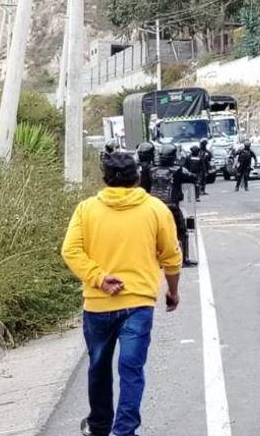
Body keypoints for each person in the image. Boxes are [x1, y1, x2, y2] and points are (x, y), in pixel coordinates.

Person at [61, 153, 181, 436]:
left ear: (105, 179)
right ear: (138, 178)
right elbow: (172, 256)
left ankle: (100, 426)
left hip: (98, 306)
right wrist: (173, 292)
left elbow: (71, 251)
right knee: (131, 369)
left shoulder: (86, 209)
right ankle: (124, 431)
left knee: (99, 368)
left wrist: (100, 279)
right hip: (138, 303)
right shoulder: (155, 209)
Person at [147, 144, 197, 267]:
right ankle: (184, 259)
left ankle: (155, 260)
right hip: (171, 206)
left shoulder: (151, 170)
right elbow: (193, 177)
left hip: (154, 207)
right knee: (182, 231)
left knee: (154, 233)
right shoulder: (178, 170)